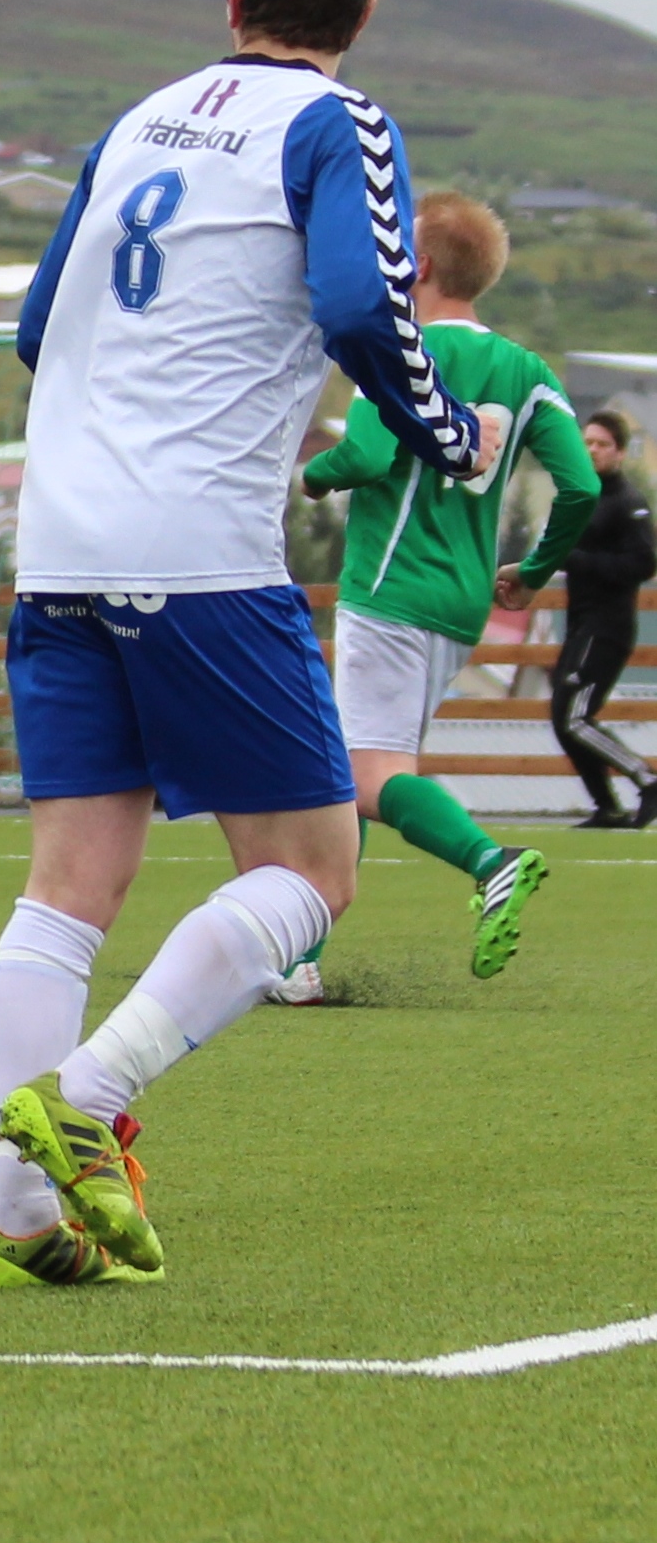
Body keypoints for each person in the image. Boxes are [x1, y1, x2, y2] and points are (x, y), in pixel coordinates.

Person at [0, 0, 493, 1290]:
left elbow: (37, 325)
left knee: (67, 887)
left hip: (57, 545)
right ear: (362, 12)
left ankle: (15, 1219)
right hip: (194, 553)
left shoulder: (137, 120)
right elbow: (355, 302)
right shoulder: (338, 124)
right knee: (313, 871)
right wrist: (444, 432)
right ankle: (84, 1100)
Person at [289, 187, 589, 972]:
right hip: (461, 601)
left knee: (365, 775)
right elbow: (582, 486)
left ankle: (492, 863)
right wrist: (535, 570)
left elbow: (365, 457)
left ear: (417, 265)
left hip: (390, 585)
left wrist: (310, 478)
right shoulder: (527, 370)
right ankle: (302, 960)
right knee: (358, 767)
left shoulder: (393, 349)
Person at [535, 402, 656, 826]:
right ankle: (606, 806)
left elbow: (644, 563)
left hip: (607, 627)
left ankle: (647, 779)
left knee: (573, 717)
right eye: (587, 442)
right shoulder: (582, 496)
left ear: (620, 452)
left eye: (602, 444)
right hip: (580, 624)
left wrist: (579, 560)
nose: (592, 450)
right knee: (563, 718)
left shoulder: (627, 501)